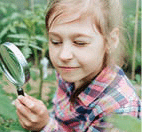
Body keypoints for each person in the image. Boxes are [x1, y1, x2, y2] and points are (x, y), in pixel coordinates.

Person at [14, 0, 141, 131]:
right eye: (55, 41)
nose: (63, 55)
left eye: (80, 43)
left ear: (111, 41)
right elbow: (61, 118)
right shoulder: (71, 71)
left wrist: (45, 126)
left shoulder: (119, 109)